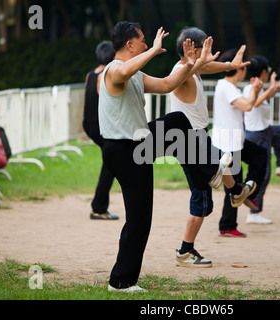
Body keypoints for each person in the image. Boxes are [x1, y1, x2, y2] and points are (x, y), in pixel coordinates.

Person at [100, 22, 249, 292]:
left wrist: (194, 64)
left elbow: (169, 84)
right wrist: (154, 50)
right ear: (130, 45)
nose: (147, 45)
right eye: (143, 41)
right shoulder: (114, 70)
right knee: (139, 219)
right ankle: (120, 283)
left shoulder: (137, 75)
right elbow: (123, 70)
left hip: (138, 143)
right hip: (124, 150)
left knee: (178, 120)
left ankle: (212, 171)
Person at [169, 27, 256, 268]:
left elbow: (205, 68)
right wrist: (201, 61)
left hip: (196, 137)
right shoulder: (182, 71)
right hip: (188, 139)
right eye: (204, 49)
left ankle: (236, 190)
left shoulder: (193, 69)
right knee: (202, 197)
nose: (208, 55)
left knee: (218, 165)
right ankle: (185, 252)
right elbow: (193, 69)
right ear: (194, 50)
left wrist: (230, 65)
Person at [212, 49, 268, 237]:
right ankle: (227, 226)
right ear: (240, 68)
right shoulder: (226, 87)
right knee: (233, 185)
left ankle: (248, 194)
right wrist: (255, 91)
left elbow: (248, 104)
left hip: (236, 142)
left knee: (260, 155)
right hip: (229, 145)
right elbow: (247, 106)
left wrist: (255, 91)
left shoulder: (228, 86)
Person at [243, 55, 280, 225]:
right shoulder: (251, 89)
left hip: (265, 130)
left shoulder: (258, 87)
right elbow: (256, 103)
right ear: (264, 72)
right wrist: (269, 89)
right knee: (263, 175)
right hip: (257, 134)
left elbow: (262, 100)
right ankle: (254, 212)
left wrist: (273, 89)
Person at [83, 40, 119, 220]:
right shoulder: (105, 75)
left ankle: (99, 205)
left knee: (110, 161)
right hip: (100, 127)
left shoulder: (90, 75)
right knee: (111, 162)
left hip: (88, 125)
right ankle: (98, 207)